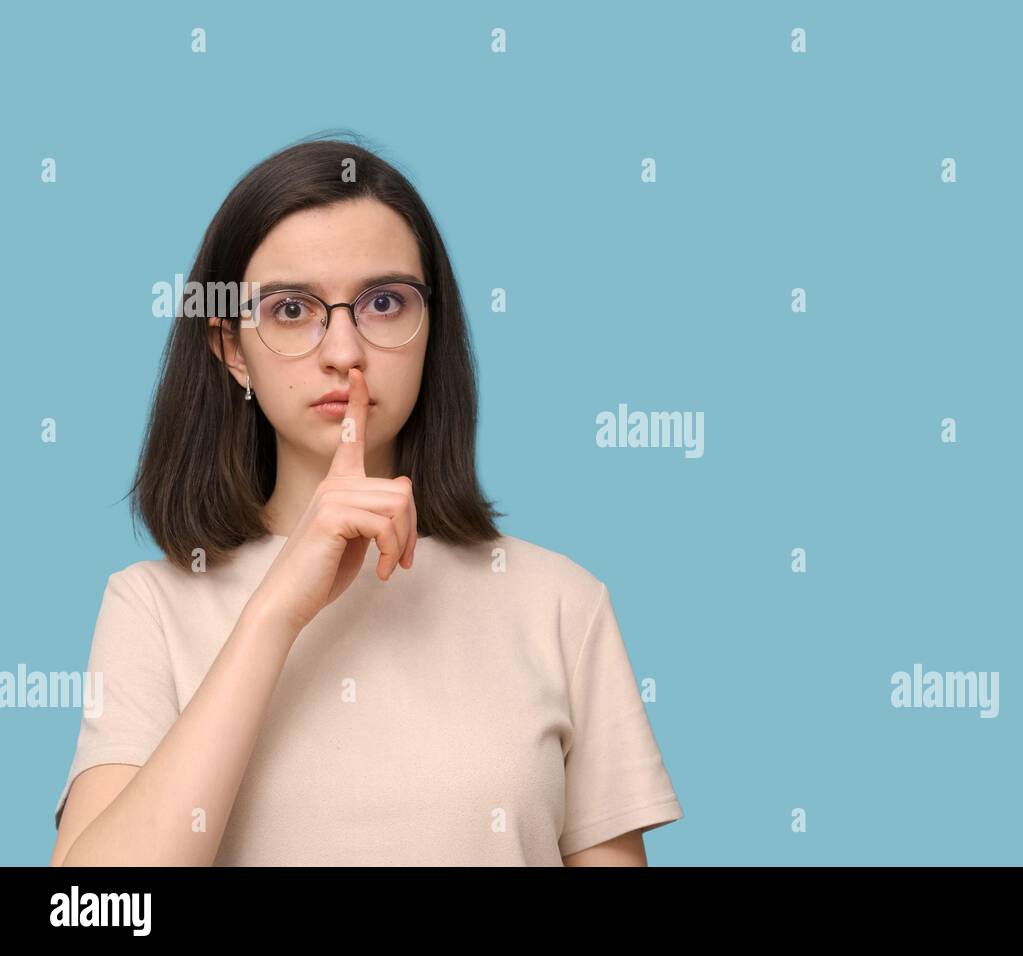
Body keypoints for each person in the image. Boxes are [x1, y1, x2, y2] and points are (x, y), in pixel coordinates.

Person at [48, 134, 683, 866]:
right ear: (230, 349)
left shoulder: (562, 604)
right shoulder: (149, 609)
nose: (344, 351)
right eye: (291, 310)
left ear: (430, 329)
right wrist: (275, 610)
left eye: (383, 303)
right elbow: (96, 914)